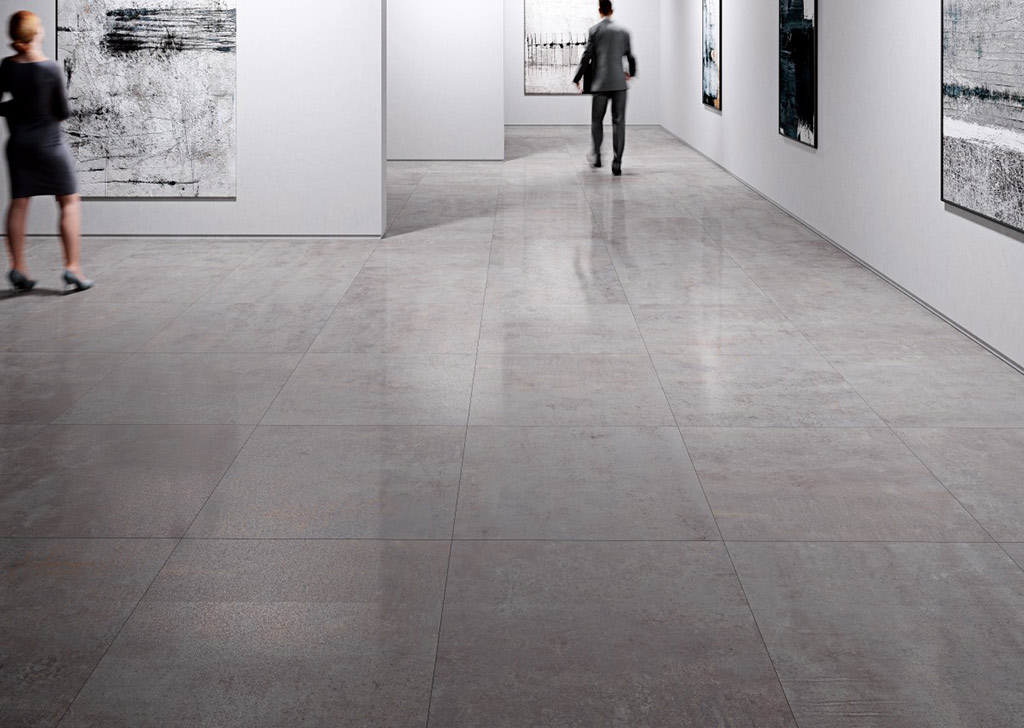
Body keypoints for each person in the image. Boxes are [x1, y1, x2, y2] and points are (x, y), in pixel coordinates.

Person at [1, 10, 91, 293]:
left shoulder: (7, 66)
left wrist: (16, 108)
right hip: (49, 144)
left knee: (19, 202)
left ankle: (18, 266)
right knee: (69, 201)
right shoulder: (50, 68)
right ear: (36, 32)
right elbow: (62, 112)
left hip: (18, 145)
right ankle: (73, 268)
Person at [573, 0, 636, 177]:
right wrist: (631, 73)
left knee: (596, 121)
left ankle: (597, 155)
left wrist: (577, 78)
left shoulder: (595, 30)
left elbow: (587, 56)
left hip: (600, 84)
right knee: (619, 123)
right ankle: (617, 163)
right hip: (619, 84)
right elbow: (630, 56)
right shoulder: (624, 32)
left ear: (600, 10)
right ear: (612, 11)